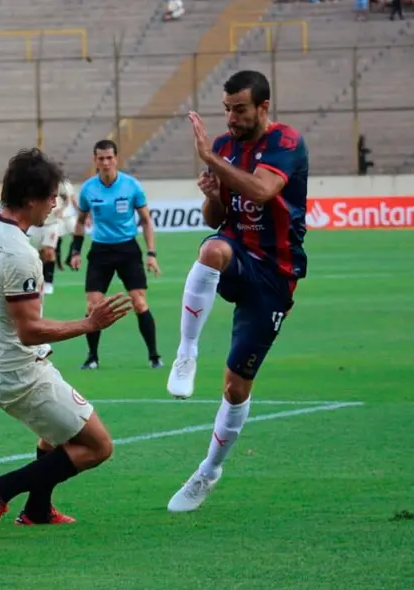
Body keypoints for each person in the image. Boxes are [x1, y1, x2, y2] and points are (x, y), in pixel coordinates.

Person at [0, 148, 133, 540]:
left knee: (55, 432)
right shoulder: (19, 253)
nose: (54, 205)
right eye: (50, 197)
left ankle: (38, 508)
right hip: (18, 373)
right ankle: (0, 489)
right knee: (97, 446)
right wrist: (89, 323)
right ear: (30, 200)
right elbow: (29, 330)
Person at [164, 70, 309, 512]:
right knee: (210, 250)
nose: (231, 118)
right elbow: (215, 217)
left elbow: (263, 190)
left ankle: (208, 470)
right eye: (226, 109)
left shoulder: (286, 142)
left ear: (263, 107)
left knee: (235, 387)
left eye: (239, 109)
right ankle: (186, 352)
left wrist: (212, 161)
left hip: (275, 274)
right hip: (236, 252)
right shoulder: (225, 149)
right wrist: (212, 193)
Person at [68, 139, 162, 370]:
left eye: (109, 157)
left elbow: (147, 221)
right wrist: (76, 251)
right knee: (93, 306)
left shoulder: (132, 186)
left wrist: (151, 253)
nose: (106, 162)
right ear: (95, 160)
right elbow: (80, 222)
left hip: (128, 249)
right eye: (101, 158)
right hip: (100, 251)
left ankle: (154, 356)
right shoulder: (88, 189)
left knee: (140, 303)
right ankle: (92, 357)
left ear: (116, 159)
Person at [28, 178, 78, 295]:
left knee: (49, 252)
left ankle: (48, 282)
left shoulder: (59, 184)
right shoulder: (33, 184)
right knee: (39, 255)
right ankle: (38, 280)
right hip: (37, 224)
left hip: (52, 223)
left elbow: (67, 198)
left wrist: (62, 209)